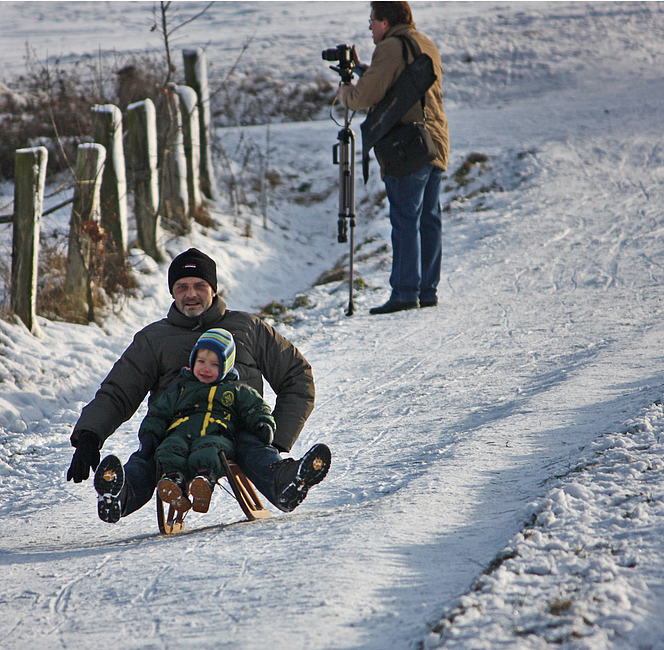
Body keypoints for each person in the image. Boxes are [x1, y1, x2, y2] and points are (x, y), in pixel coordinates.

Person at [66, 247, 328, 521]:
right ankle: (119, 495)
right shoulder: (154, 339)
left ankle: (285, 482)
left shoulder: (247, 328)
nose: (191, 294)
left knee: (255, 449)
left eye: (200, 285)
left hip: (234, 430)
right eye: (182, 287)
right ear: (172, 292)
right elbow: (118, 391)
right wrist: (90, 436)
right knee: (147, 456)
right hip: (176, 430)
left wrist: (277, 438)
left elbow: (297, 376)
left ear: (213, 289)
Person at [129, 327, 329, 516]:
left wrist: (262, 423)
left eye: (215, 364)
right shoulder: (180, 387)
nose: (206, 368)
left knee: (212, 449)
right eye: (201, 362)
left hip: (217, 436)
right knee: (168, 449)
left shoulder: (234, 390)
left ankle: (282, 482)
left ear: (226, 367)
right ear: (192, 361)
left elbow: (256, 406)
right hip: (179, 434)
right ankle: (166, 484)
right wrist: (149, 434)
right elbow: (159, 412)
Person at [339, 0, 449, 315]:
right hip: (435, 142)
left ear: (385, 22)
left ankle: (405, 292)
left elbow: (362, 98)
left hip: (407, 146)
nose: (370, 26)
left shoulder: (389, 48)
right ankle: (426, 290)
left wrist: (347, 89)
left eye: (372, 20)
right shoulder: (424, 43)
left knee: (405, 219)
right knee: (429, 218)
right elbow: (400, 84)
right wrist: (366, 70)